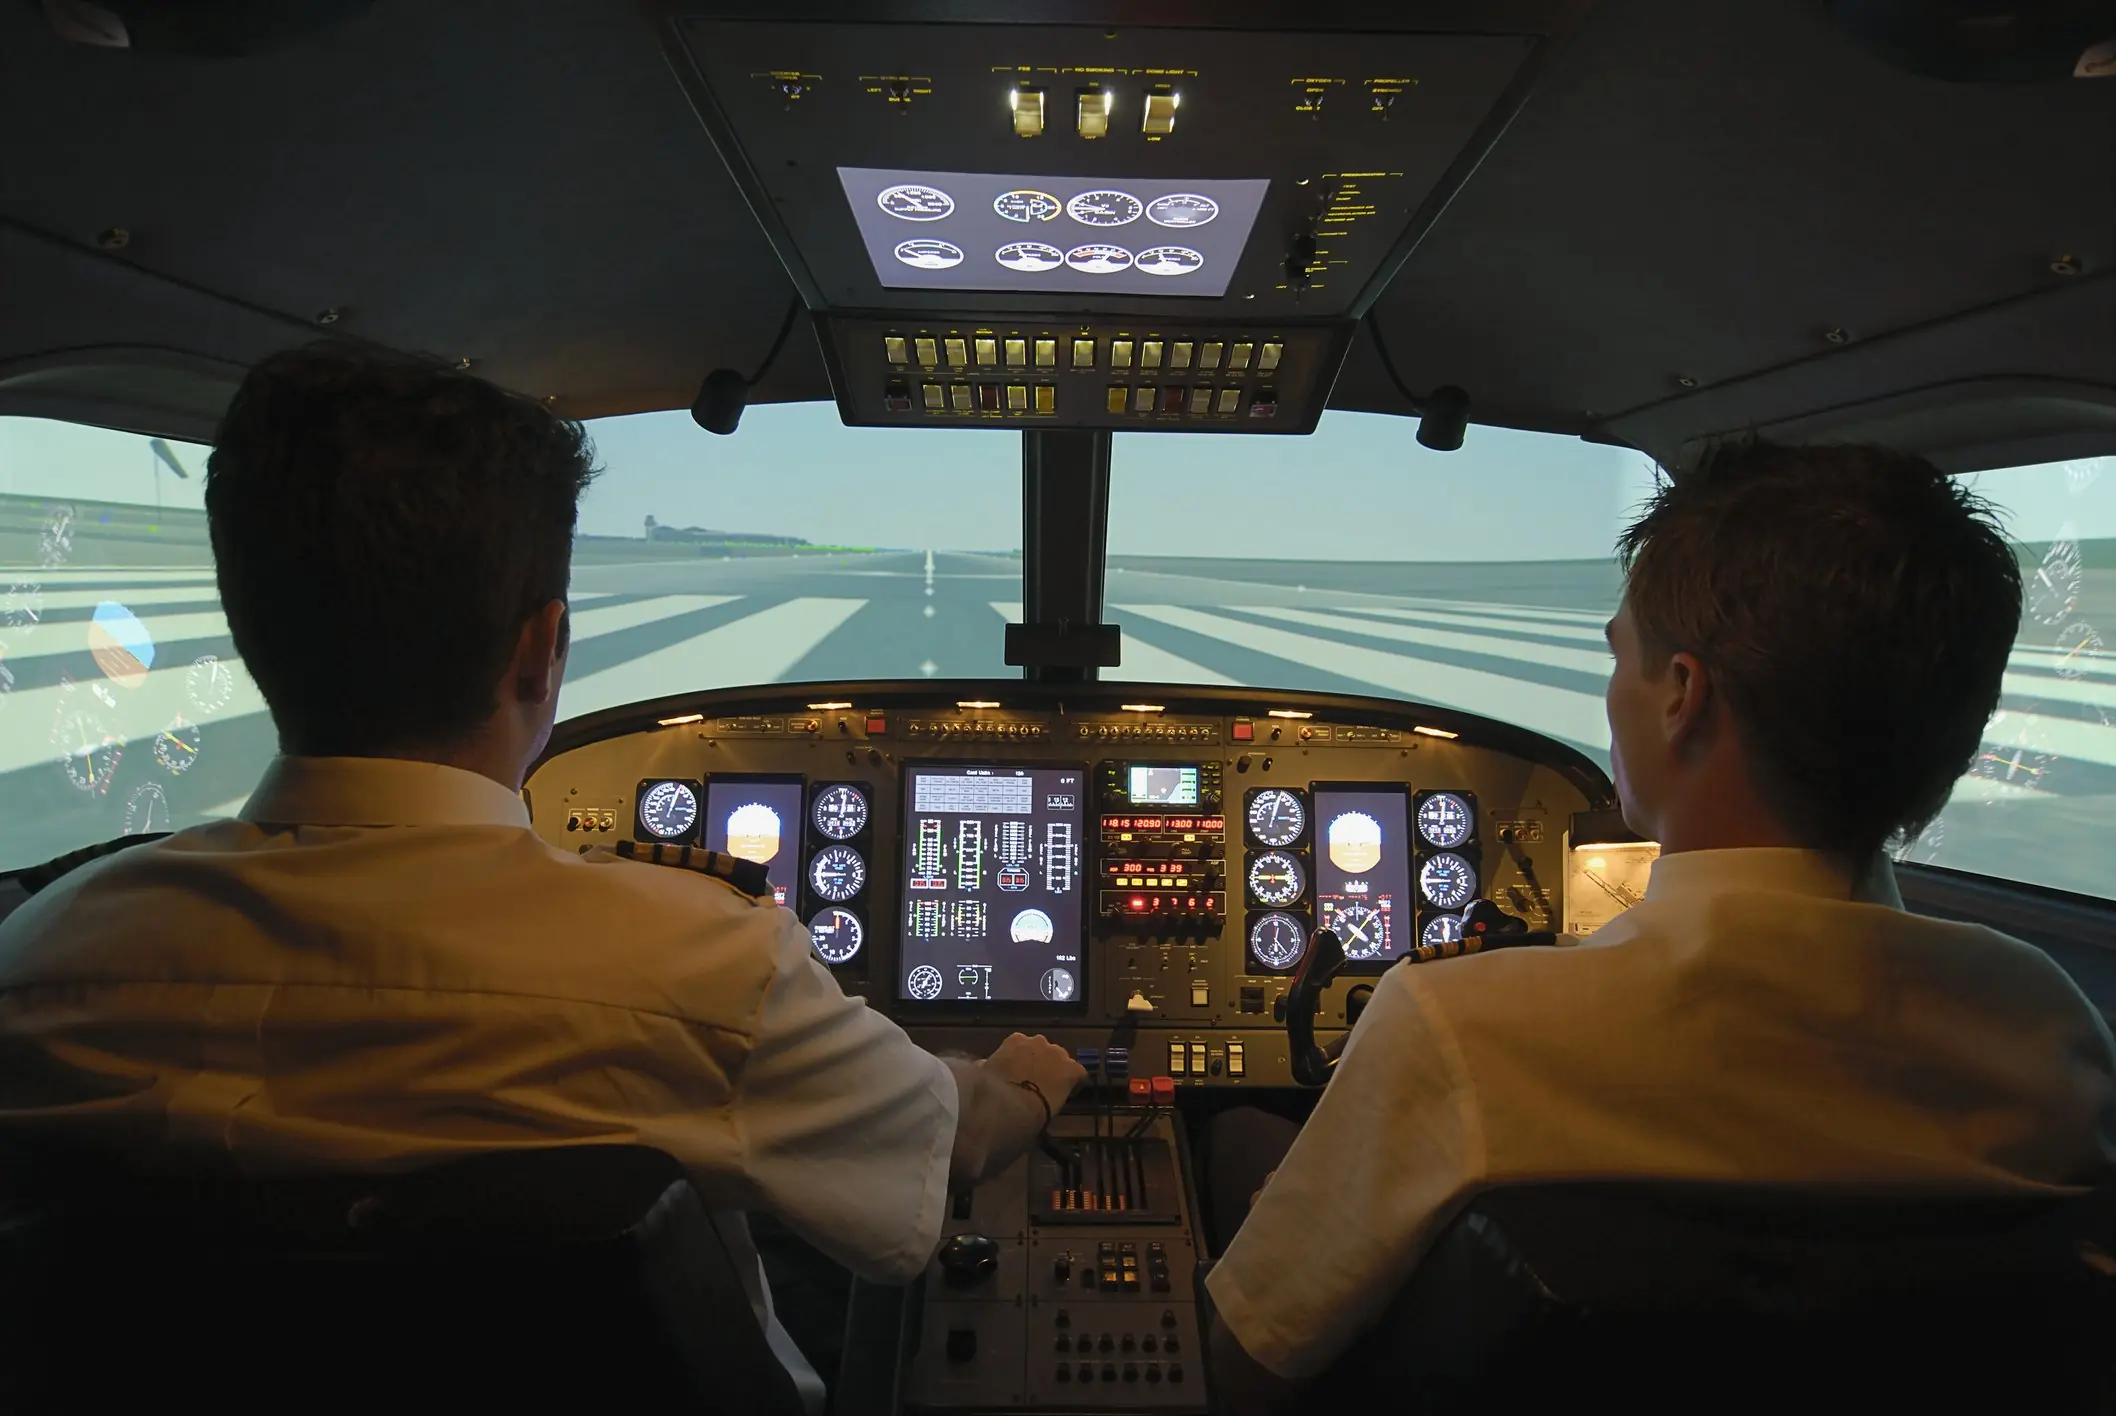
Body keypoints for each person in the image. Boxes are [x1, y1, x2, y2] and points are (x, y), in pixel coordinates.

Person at [0, 346, 1086, 1413]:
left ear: (249, 627)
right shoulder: (708, 971)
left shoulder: (38, 967)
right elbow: (953, 1139)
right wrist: (1029, 1079)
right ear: (541, 648)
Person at [1202, 440, 2116, 1410]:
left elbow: (1244, 1370)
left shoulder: (1456, 1031)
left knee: (1230, 1136)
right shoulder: (2050, 1038)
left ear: (1681, 695)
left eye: (1617, 658)